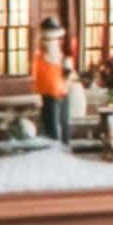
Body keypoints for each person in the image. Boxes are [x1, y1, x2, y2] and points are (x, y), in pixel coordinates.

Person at [33, 14, 73, 144]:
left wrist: (68, 76)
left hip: (59, 92)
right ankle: (55, 145)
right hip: (49, 94)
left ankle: (62, 145)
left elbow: (68, 75)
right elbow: (37, 76)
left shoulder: (60, 56)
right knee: (53, 125)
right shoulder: (40, 57)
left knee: (62, 123)